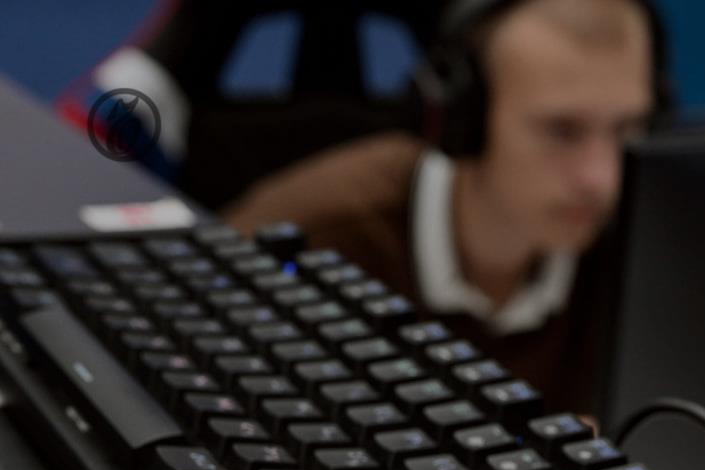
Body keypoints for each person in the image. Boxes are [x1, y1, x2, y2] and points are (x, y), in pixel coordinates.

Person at [223, 0, 667, 416]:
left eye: (627, 129)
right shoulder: (312, 234)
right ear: (464, 120)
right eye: (562, 131)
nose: (601, 179)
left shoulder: (643, 254)